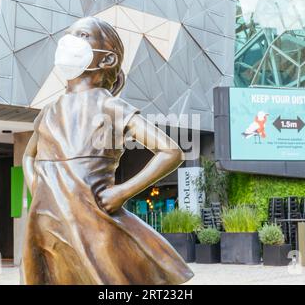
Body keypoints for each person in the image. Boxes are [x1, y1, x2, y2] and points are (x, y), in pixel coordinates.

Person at [21, 17, 194, 285]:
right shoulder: (48, 111)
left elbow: (171, 151)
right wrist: (38, 188)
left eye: (82, 35)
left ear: (107, 60)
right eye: (68, 34)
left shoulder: (111, 107)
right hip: (47, 227)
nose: (69, 40)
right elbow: (28, 155)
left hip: (94, 226)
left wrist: (123, 192)